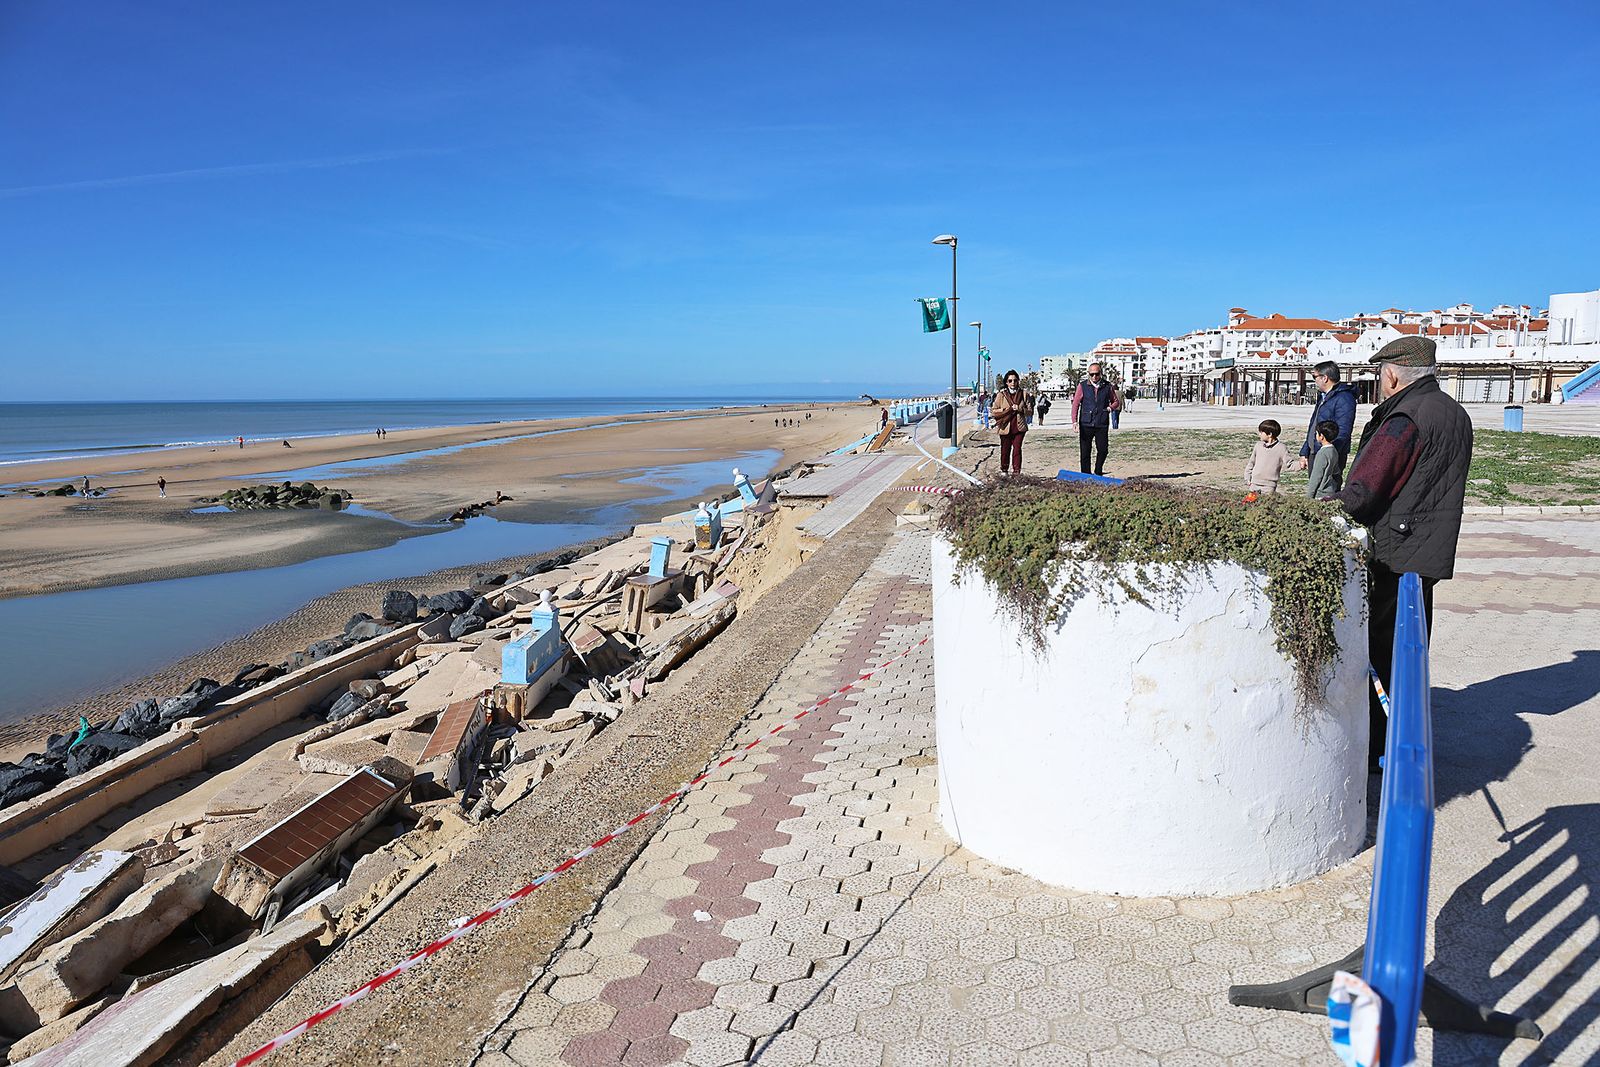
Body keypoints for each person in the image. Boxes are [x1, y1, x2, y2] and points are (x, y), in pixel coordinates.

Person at [1331, 336, 1473, 773]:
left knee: (1382, 653)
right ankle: (1407, 733)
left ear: (1392, 374)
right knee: (1411, 649)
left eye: (1380, 376)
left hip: (1393, 553)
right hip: (1425, 551)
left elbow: (1365, 490)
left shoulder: (1404, 417)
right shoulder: (1454, 411)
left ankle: (1382, 748)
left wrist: (1320, 511)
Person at [1295, 362, 1358, 470]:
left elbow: (1343, 430)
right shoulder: (1324, 397)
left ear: (1325, 378)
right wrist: (1305, 451)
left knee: (1327, 486)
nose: (1314, 380)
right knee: (1314, 486)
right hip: (1315, 452)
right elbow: (1314, 427)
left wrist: (1329, 453)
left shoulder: (1344, 398)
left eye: (1314, 376)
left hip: (1328, 455)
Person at [1071, 362, 1119, 475]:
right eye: (1091, 374)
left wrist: (1110, 408)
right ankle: (1085, 474)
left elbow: (1116, 401)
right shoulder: (1082, 386)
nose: (1094, 377)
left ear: (1101, 373)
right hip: (1086, 422)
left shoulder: (1108, 386)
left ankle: (1098, 471)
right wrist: (1074, 421)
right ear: (1088, 374)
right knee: (1085, 451)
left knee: (1103, 450)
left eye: (1096, 374)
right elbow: (1076, 404)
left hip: (1101, 423)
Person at [990, 369, 1034, 476]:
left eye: (1015, 380)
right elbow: (994, 410)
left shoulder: (1024, 394)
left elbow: (1030, 412)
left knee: (1017, 450)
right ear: (1006, 382)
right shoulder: (1001, 395)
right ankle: (1004, 470)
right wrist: (1006, 410)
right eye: (1010, 381)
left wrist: (1019, 408)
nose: (1013, 383)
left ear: (1018, 381)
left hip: (1019, 428)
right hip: (1005, 427)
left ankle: (1016, 472)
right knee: (1005, 450)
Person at [1243, 419, 1289, 493]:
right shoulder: (1258, 446)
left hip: (1269, 486)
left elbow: (1290, 463)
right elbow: (1251, 463)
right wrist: (1247, 477)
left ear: (1269, 434)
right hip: (1254, 484)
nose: (1259, 434)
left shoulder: (1281, 448)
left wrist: (1302, 464)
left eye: (1261, 432)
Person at [1305, 421, 1344, 497]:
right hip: (1331, 491)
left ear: (1321, 436)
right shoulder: (1334, 450)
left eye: (1316, 433)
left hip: (1320, 493)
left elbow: (1316, 477)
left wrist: (1308, 497)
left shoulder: (1322, 453)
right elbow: (1336, 472)